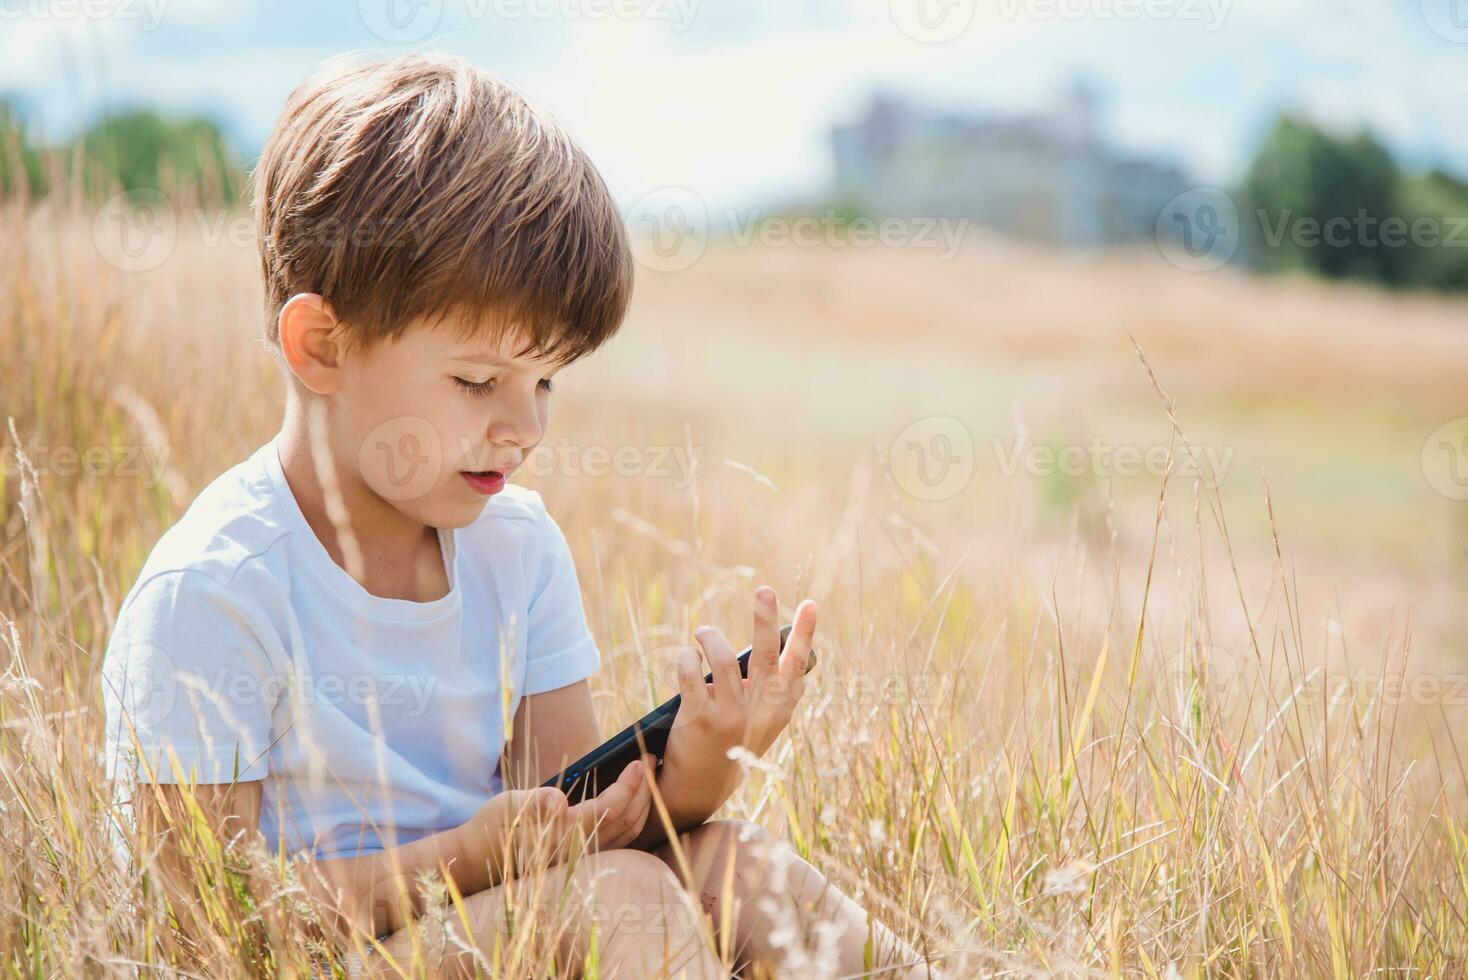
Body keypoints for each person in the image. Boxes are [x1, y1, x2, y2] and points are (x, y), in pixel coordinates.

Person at [101, 51, 935, 979]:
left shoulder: (515, 546)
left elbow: (586, 832)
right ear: (321, 347)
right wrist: (470, 856)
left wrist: (709, 758)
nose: (526, 425)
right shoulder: (214, 592)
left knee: (741, 869)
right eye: (477, 381)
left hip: (488, 918)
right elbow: (204, 927)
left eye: (544, 380)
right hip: (321, 960)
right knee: (625, 904)